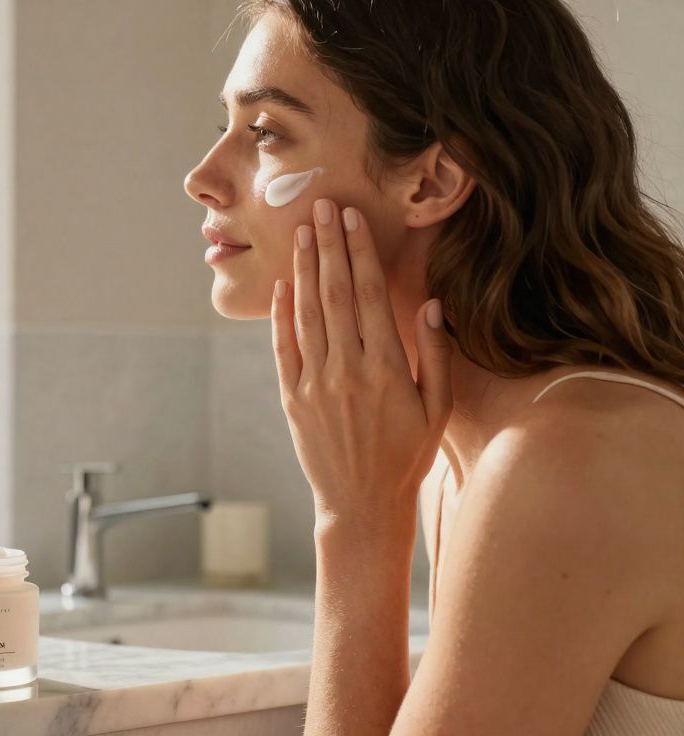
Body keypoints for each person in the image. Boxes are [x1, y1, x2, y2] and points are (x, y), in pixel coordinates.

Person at [183, 1, 684, 733]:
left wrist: (354, 523)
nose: (202, 178)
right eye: (224, 127)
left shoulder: (563, 461)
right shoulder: (457, 453)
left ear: (432, 184)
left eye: (266, 133)